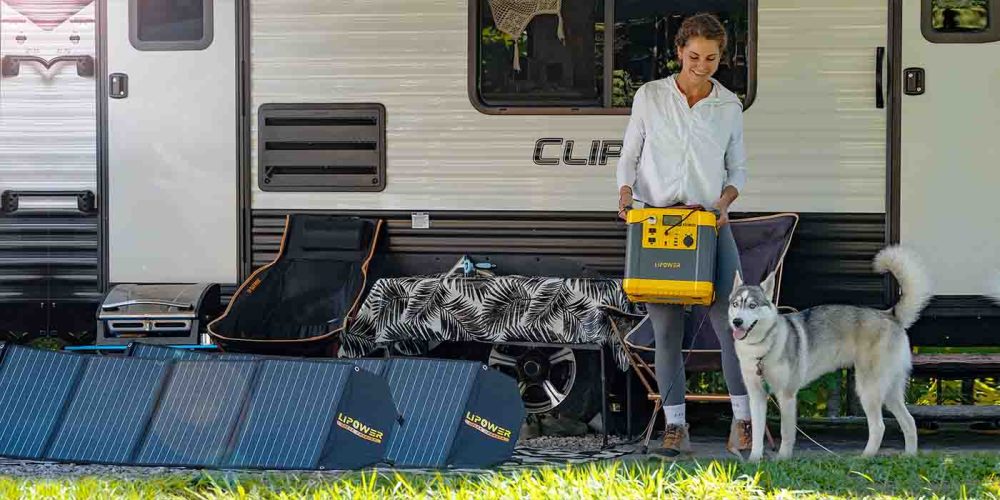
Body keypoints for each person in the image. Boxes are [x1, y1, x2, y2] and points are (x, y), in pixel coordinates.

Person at [616, 12, 751, 458]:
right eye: (694, 56)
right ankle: (675, 428)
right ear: (679, 52)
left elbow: (737, 170)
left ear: (720, 57)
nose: (702, 65)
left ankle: (744, 423)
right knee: (667, 330)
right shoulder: (651, 97)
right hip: (657, 224)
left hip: (708, 225)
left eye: (711, 58)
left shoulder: (728, 106)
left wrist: (724, 202)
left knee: (732, 324)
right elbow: (630, 154)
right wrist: (625, 193)